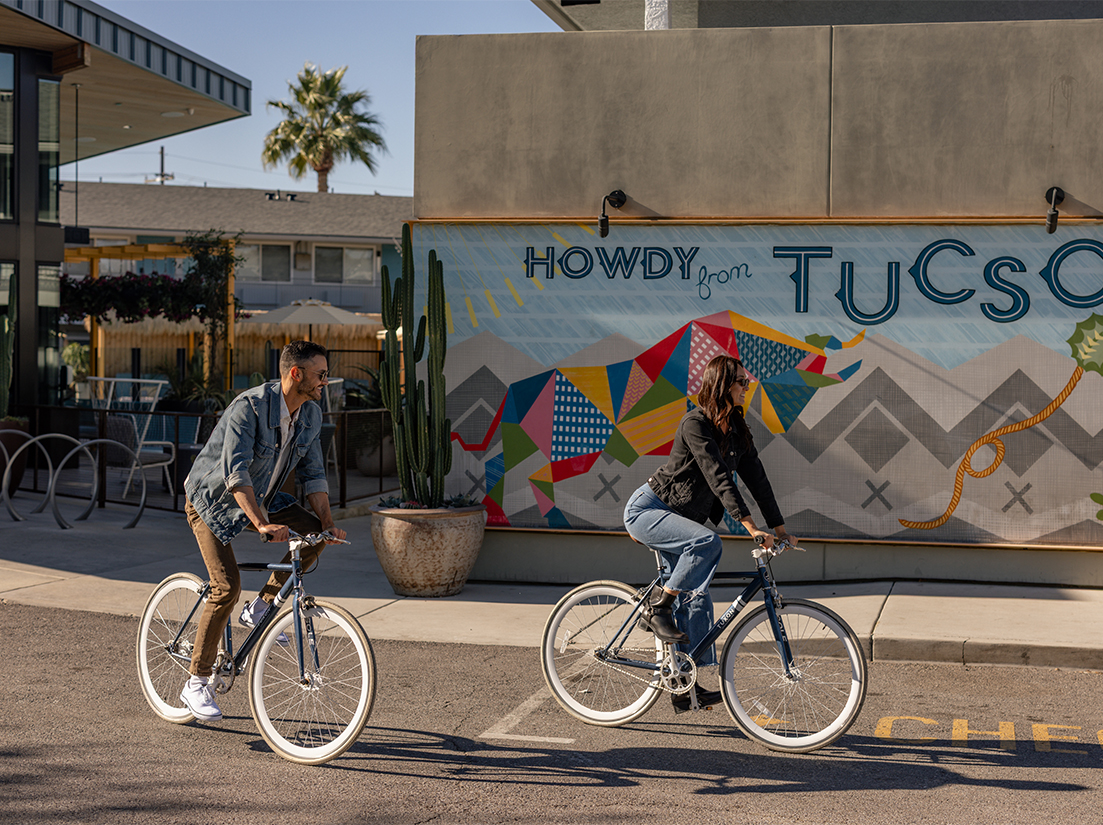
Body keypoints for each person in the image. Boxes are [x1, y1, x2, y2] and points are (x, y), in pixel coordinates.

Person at [178, 340, 347, 722]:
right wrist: (261, 525)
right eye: (321, 375)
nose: (325, 382)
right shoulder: (248, 408)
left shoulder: (310, 415)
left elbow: (314, 475)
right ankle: (196, 681)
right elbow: (235, 474)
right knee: (226, 588)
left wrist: (329, 523)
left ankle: (261, 607)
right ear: (295, 374)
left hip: (265, 497)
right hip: (212, 502)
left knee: (316, 533)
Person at [623, 354, 793, 713]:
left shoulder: (735, 429)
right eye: (741, 383)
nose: (747, 388)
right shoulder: (695, 424)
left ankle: (683, 685)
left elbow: (757, 479)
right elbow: (717, 477)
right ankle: (658, 608)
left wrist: (779, 527)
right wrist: (749, 526)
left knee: (697, 596)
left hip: (680, 520)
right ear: (723, 385)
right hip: (649, 510)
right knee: (706, 543)